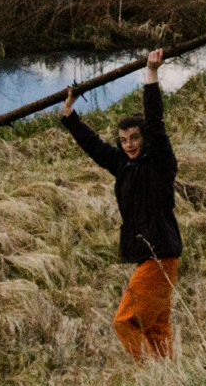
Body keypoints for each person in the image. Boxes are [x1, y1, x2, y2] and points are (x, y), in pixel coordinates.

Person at [59, 48, 182, 358]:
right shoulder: (123, 165)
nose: (129, 145)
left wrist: (151, 75)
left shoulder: (159, 162)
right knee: (155, 328)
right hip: (151, 257)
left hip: (160, 256)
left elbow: (155, 122)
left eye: (135, 139)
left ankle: (143, 377)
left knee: (125, 321)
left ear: (145, 139)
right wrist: (69, 115)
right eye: (124, 140)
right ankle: (168, 381)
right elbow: (94, 146)